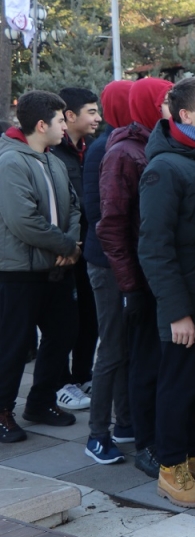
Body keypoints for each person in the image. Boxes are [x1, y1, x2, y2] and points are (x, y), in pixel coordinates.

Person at [138, 77, 195, 507]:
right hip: (185, 307)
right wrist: (176, 312)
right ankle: (170, 466)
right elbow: (154, 248)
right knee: (178, 389)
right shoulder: (164, 168)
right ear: (185, 114)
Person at [97, 77, 172, 477]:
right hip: (144, 279)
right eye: (164, 101)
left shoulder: (160, 145)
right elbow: (112, 226)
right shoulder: (124, 152)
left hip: (165, 277)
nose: (170, 107)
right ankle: (147, 443)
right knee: (146, 363)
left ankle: (167, 436)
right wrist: (130, 286)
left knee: (167, 364)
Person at [0, 92, 82, 443]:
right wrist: (65, 245)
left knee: (63, 333)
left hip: (56, 269)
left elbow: (75, 208)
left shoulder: (54, 160)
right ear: (41, 124)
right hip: (19, 272)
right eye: (61, 120)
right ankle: (2, 410)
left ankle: (41, 401)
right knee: (14, 345)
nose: (66, 125)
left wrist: (72, 244)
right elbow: (23, 221)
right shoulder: (10, 162)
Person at [82, 80, 134, 464]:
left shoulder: (124, 144)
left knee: (125, 346)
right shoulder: (106, 148)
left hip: (122, 261)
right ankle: (97, 433)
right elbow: (100, 214)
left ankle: (125, 421)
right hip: (106, 263)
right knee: (112, 347)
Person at [52, 88, 102, 412]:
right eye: (91, 112)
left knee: (90, 317)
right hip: (62, 251)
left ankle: (82, 373)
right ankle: (59, 383)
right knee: (62, 322)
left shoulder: (91, 148)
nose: (98, 118)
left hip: (89, 250)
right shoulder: (53, 152)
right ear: (70, 116)